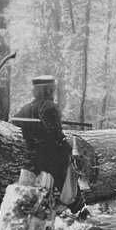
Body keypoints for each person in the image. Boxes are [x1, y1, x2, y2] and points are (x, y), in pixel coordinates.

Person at [12, 75, 90, 220]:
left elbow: (14, 123)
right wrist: (68, 150)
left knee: (34, 193)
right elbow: (57, 135)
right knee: (69, 181)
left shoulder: (26, 108)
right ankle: (81, 214)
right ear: (48, 90)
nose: (54, 91)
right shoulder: (50, 107)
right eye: (52, 89)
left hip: (32, 158)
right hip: (52, 157)